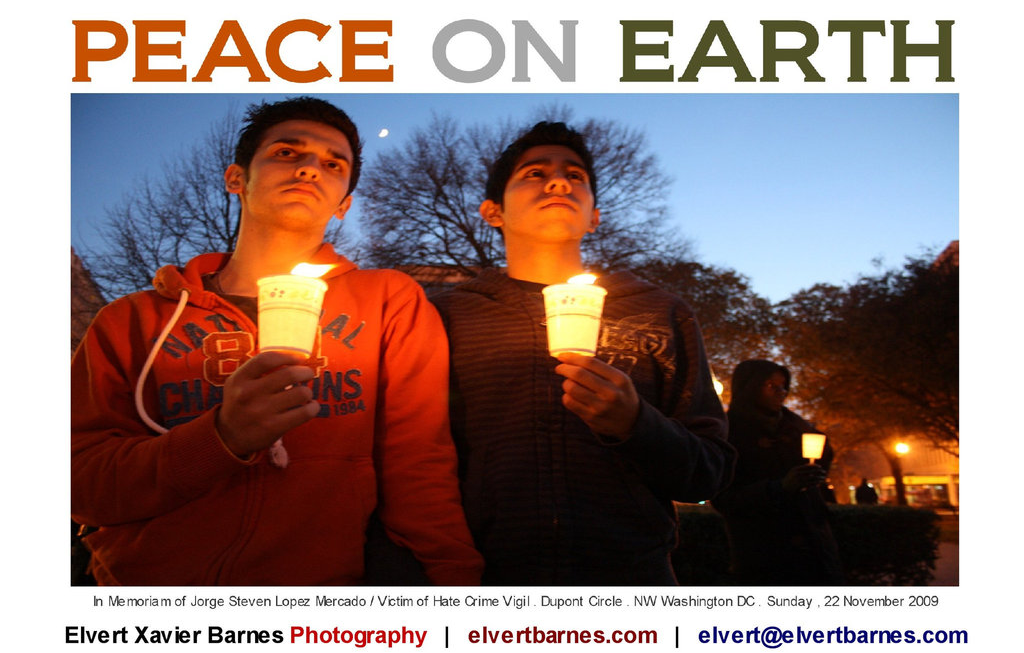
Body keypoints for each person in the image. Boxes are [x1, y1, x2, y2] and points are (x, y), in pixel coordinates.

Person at [71, 97, 483, 586]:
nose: (311, 168)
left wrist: (453, 585)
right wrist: (220, 438)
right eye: (288, 153)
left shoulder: (388, 302)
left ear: (343, 203)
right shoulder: (132, 321)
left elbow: (420, 466)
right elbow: (81, 483)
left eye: (333, 164)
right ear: (236, 179)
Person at [431, 121, 734, 585]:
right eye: (534, 173)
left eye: (577, 176)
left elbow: (709, 472)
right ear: (493, 211)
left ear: (594, 216)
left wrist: (636, 425)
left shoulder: (657, 313)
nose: (559, 181)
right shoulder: (444, 316)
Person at [712, 360, 844, 586]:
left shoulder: (797, 427)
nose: (781, 393)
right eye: (772, 386)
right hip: (764, 553)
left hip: (815, 548)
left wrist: (815, 470)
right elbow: (724, 498)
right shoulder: (729, 432)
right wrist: (779, 487)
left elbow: (822, 456)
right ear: (749, 387)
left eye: (784, 387)